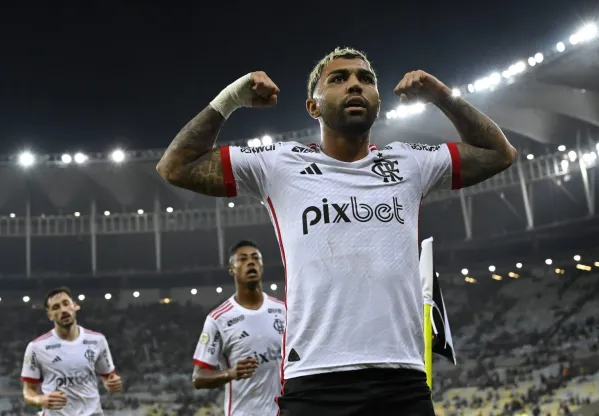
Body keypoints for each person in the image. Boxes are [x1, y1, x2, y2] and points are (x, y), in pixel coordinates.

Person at [157, 47, 516, 415]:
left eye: (365, 79)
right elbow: (176, 167)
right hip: (315, 380)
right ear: (313, 107)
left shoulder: (411, 162)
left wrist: (443, 96)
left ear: (378, 101)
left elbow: (499, 154)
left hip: (403, 379)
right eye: (339, 79)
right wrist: (231, 98)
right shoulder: (278, 164)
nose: (355, 85)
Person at [191, 239, 286, 415]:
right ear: (232, 269)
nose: (250, 262)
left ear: (262, 266)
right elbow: (199, 378)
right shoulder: (218, 319)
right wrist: (230, 373)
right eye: (242, 259)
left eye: (255, 258)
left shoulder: (283, 310)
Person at [20, 287, 123, 415]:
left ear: (74, 306)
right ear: (50, 316)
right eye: (56, 307)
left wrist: (111, 384)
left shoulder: (97, 340)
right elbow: (28, 392)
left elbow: (108, 378)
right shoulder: (36, 347)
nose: (63, 310)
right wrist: (40, 399)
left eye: (66, 303)